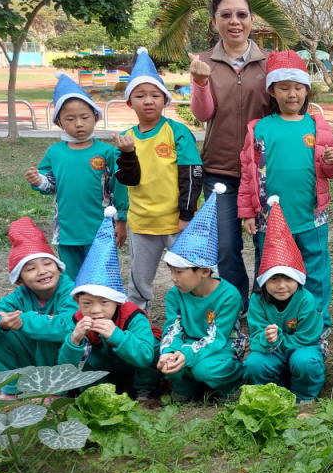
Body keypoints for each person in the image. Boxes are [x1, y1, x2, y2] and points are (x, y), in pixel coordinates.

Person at [237, 50, 333, 335]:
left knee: (316, 269)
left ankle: (317, 319)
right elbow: (248, 172)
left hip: (311, 216)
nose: (292, 94)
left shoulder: (317, 127)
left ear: (307, 89)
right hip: (268, 218)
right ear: (272, 91)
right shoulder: (259, 129)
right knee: (268, 269)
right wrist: (247, 211)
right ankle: (267, 321)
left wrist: (332, 163)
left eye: (298, 87)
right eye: (284, 88)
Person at [188, 0, 271, 311]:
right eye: (226, 15)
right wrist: (200, 82)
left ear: (252, 20)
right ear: (214, 22)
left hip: (263, 171)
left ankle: (267, 305)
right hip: (219, 170)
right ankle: (239, 306)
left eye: (241, 14)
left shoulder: (269, 62)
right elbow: (203, 114)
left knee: (265, 241)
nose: (234, 21)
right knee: (225, 247)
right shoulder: (204, 62)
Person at [114, 48, 203, 313]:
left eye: (155, 95)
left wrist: (186, 214)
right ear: (130, 102)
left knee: (191, 275)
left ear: (165, 100)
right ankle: (137, 323)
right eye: (140, 96)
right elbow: (128, 180)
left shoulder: (177, 132)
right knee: (139, 282)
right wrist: (128, 153)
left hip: (177, 222)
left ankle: (198, 317)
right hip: (142, 223)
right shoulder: (126, 137)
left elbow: (192, 173)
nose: (148, 101)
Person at [25, 72, 127, 279]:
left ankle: (105, 310)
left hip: (101, 229)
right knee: (71, 279)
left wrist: (121, 220)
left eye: (85, 117)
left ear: (96, 117)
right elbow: (49, 184)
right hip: (67, 232)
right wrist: (38, 181)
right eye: (70, 119)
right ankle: (75, 311)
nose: (79, 124)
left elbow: (119, 187)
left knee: (102, 277)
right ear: (59, 123)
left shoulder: (107, 152)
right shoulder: (55, 152)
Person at [0, 218, 77, 398]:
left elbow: (67, 327)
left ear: (58, 267)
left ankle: (56, 390)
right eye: (30, 268)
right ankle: (14, 386)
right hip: (36, 358)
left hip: (67, 364)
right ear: (20, 280)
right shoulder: (20, 296)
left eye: (47, 263)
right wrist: (1, 323)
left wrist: (25, 320)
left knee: (47, 332)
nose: (42, 271)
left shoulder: (71, 292)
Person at [58, 207, 161, 399]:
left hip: (134, 365)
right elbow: (64, 364)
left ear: (117, 301)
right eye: (87, 303)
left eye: (104, 302)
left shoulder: (132, 316)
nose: (95, 310)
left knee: (153, 347)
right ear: (77, 301)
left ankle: (144, 388)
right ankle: (96, 390)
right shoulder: (78, 320)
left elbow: (145, 355)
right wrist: (74, 341)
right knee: (88, 355)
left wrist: (116, 335)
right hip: (106, 368)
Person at [158, 184, 244, 401]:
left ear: (204, 271)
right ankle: (186, 391)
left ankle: (230, 386)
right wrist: (169, 352)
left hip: (221, 347)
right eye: (171, 272)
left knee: (205, 369)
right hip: (188, 346)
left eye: (180, 272)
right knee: (166, 360)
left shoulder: (228, 296)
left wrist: (185, 354)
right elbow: (172, 329)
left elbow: (217, 337)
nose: (174, 278)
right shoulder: (174, 295)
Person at [243, 197, 325, 403]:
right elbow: (256, 338)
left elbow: (308, 338)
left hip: (302, 349)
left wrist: (279, 338)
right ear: (264, 282)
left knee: (306, 361)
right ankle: (275, 393)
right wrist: (266, 338)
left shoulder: (306, 300)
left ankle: (304, 396)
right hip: (274, 352)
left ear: (298, 279)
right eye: (274, 279)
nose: (281, 285)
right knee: (254, 363)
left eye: (288, 278)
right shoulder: (257, 301)